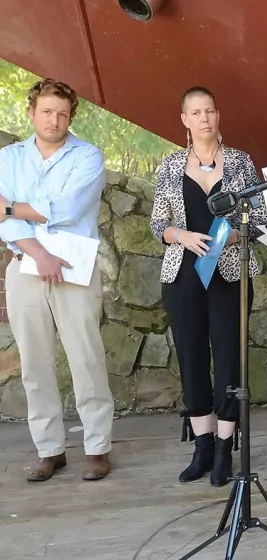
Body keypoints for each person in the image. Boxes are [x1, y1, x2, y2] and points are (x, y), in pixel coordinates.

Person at [150, 86, 267, 487]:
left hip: (229, 274)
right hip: (182, 275)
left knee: (230, 358)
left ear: (218, 115)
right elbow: (157, 224)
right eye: (196, 113)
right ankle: (201, 446)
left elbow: (260, 220)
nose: (204, 119)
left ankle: (224, 448)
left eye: (210, 111)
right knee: (192, 357)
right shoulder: (170, 165)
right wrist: (181, 236)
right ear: (185, 120)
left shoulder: (240, 162)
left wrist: (231, 237)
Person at [0, 78, 114, 482]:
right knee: (34, 364)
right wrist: (39, 253)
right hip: (24, 265)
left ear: (71, 117)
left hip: (74, 268)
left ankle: (97, 447)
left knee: (86, 358)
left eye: (63, 114)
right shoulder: (8, 158)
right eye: (47, 112)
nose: (55, 120)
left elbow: (68, 209)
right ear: (31, 112)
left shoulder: (88, 156)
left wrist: (12, 207)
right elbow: (4, 222)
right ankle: (49, 450)